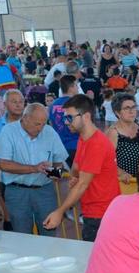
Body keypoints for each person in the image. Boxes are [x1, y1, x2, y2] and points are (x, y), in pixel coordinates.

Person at [42, 95, 121, 241]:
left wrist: (60, 211)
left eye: (70, 117)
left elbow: (82, 184)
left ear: (86, 116)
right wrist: (70, 177)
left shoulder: (96, 144)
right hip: (92, 211)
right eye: (65, 118)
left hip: (102, 212)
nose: (66, 122)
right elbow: (75, 171)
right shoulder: (83, 138)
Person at [0, 103, 68, 236]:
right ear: (25, 118)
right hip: (17, 191)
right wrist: (34, 168)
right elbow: (4, 164)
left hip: (45, 191)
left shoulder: (49, 132)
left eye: (44, 123)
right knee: (21, 235)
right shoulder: (8, 131)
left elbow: (59, 163)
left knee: (49, 232)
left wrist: (55, 173)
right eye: (37, 124)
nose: (41, 128)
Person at [105, 93, 139, 190]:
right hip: (126, 185)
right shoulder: (113, 133)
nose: (132, 111)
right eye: (127, 108)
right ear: (117, 113)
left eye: (133, 107)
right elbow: (106, 161)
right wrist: (121, 173)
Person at [48, 74, 80, 166]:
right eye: (76, 85)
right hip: (76, 146)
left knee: (56, 175)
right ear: (71, 87)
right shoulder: (77, 103)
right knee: (77, 177)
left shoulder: (53, 104)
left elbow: (51, 125)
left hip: (58, 147)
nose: (77, 88)